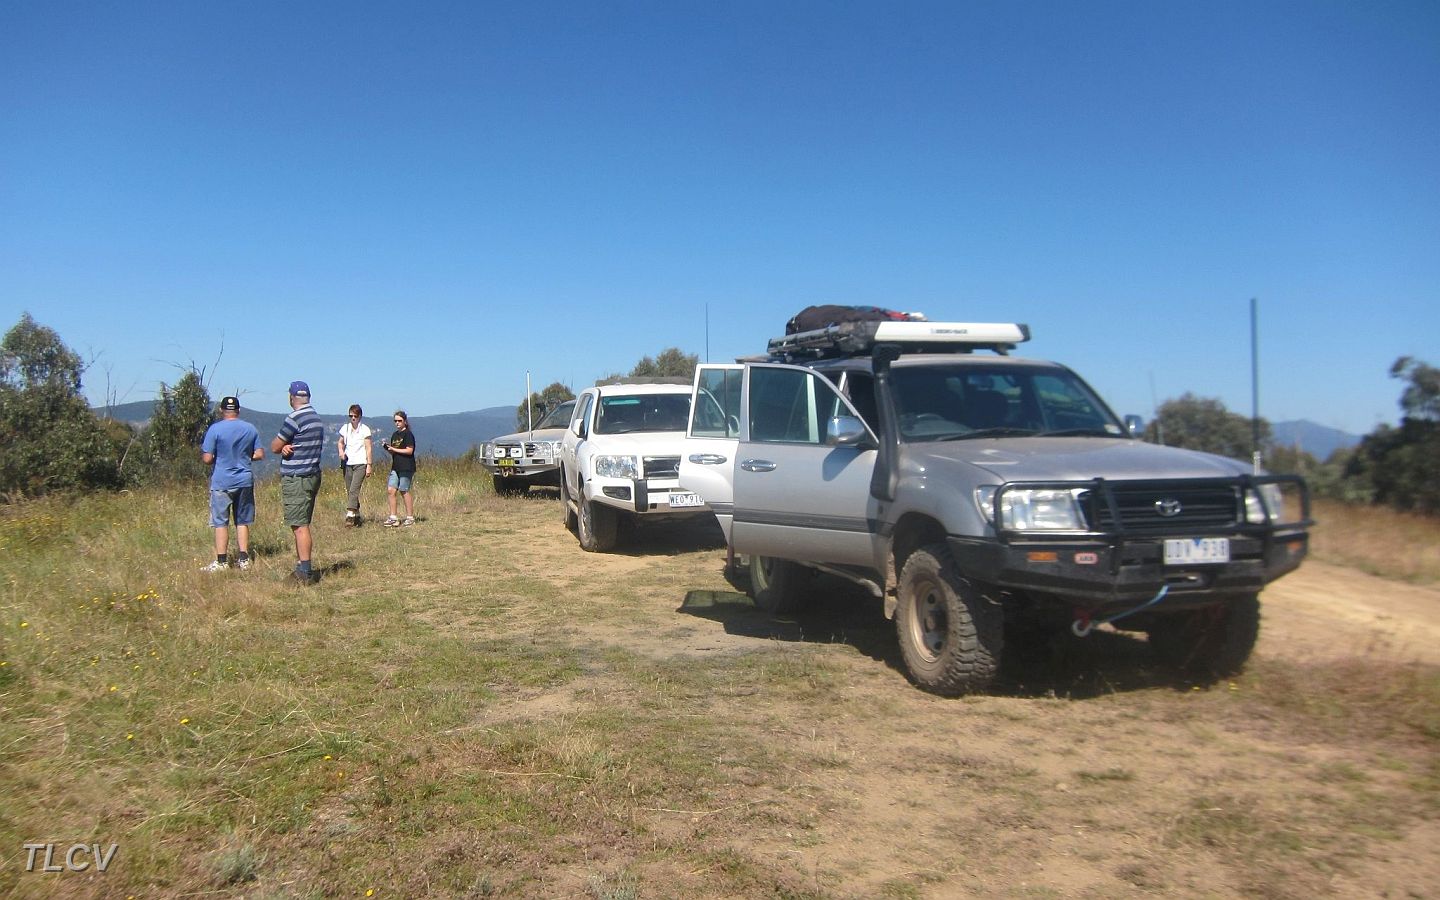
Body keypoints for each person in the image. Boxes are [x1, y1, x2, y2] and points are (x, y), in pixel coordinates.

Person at [199, 396, 264, 571]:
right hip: (244, 479)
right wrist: (244, 457)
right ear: (238, 410)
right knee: (242, 520)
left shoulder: (215, 429)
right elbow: (259, 454)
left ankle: (222, 561)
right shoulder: (250, 428)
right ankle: (244, 558)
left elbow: (207, 458)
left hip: (222, 481)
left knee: (221, 522)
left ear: (221, 410)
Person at [270, 380, 324, 583]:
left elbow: (275, 446)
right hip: (312, 473)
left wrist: (283, 445)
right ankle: (303, 566)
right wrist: (288, 445)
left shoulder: (294, 418)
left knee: (299, 525)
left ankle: (305, 571)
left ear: (291, 397)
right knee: (303, 522)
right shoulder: (315, 418)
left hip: (297, 477)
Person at [336, 403, 373, 526]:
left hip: (360, 463)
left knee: (354, 489)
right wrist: (341, 452)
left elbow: (368, 448)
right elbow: (340, 443)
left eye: (355, 416)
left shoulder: (365, 430)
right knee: (349, 490)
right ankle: (357, 515)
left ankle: (350, 515)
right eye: (351, 416)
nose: (353, 418)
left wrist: (369, 464)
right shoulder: (345, 428)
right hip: (348, 463)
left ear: (360, 416)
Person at [381, 410, 417, 527]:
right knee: (391, 490)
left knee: (403, 490)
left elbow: (409, 450)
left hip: (406, 466)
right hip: (396, 466)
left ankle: (410, 517)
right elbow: (394, 453)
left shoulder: (408, 434)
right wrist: (388, 449)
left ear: (405, 422)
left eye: (399, 421)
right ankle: (393, 517)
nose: (397, 423)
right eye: (395, 421)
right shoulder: (394, 435)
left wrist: (394, 449)